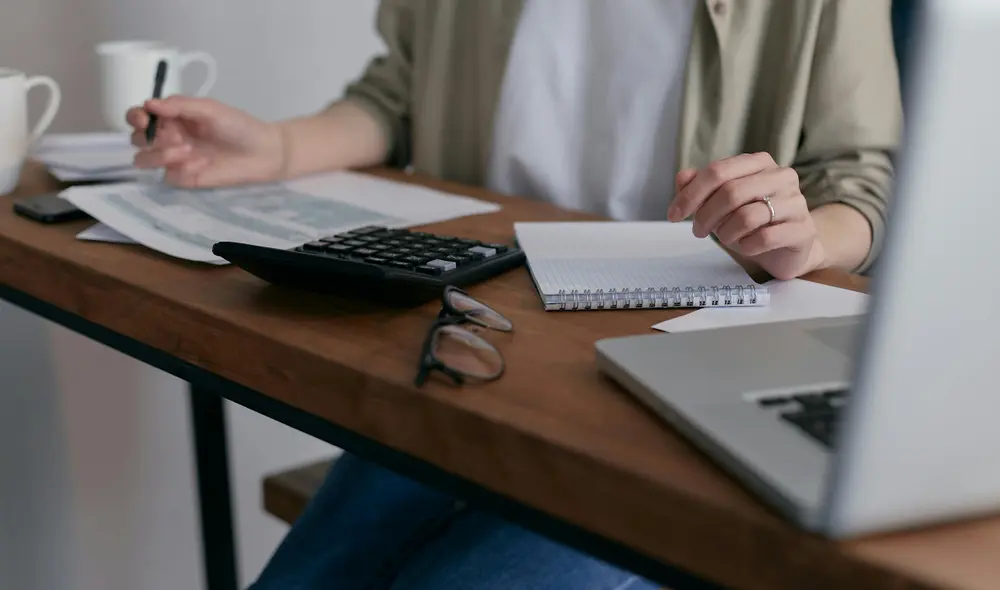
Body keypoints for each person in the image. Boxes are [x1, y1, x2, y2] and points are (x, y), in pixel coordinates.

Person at [127, 1, 902, 588]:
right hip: (476, 341)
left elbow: (861, 182)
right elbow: (397, 96)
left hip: (680, 376)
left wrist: (803, 237)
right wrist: (280, 147)